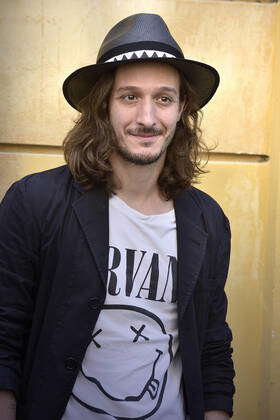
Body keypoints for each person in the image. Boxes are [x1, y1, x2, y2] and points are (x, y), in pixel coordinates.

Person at [0, 13, 235, 420]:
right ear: (104, 106)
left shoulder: (208, 221)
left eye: (163, 98)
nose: (147, 118)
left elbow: (213, 349)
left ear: (181, 110)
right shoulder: (34, 201)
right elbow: (4, 337)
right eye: (129, 97)